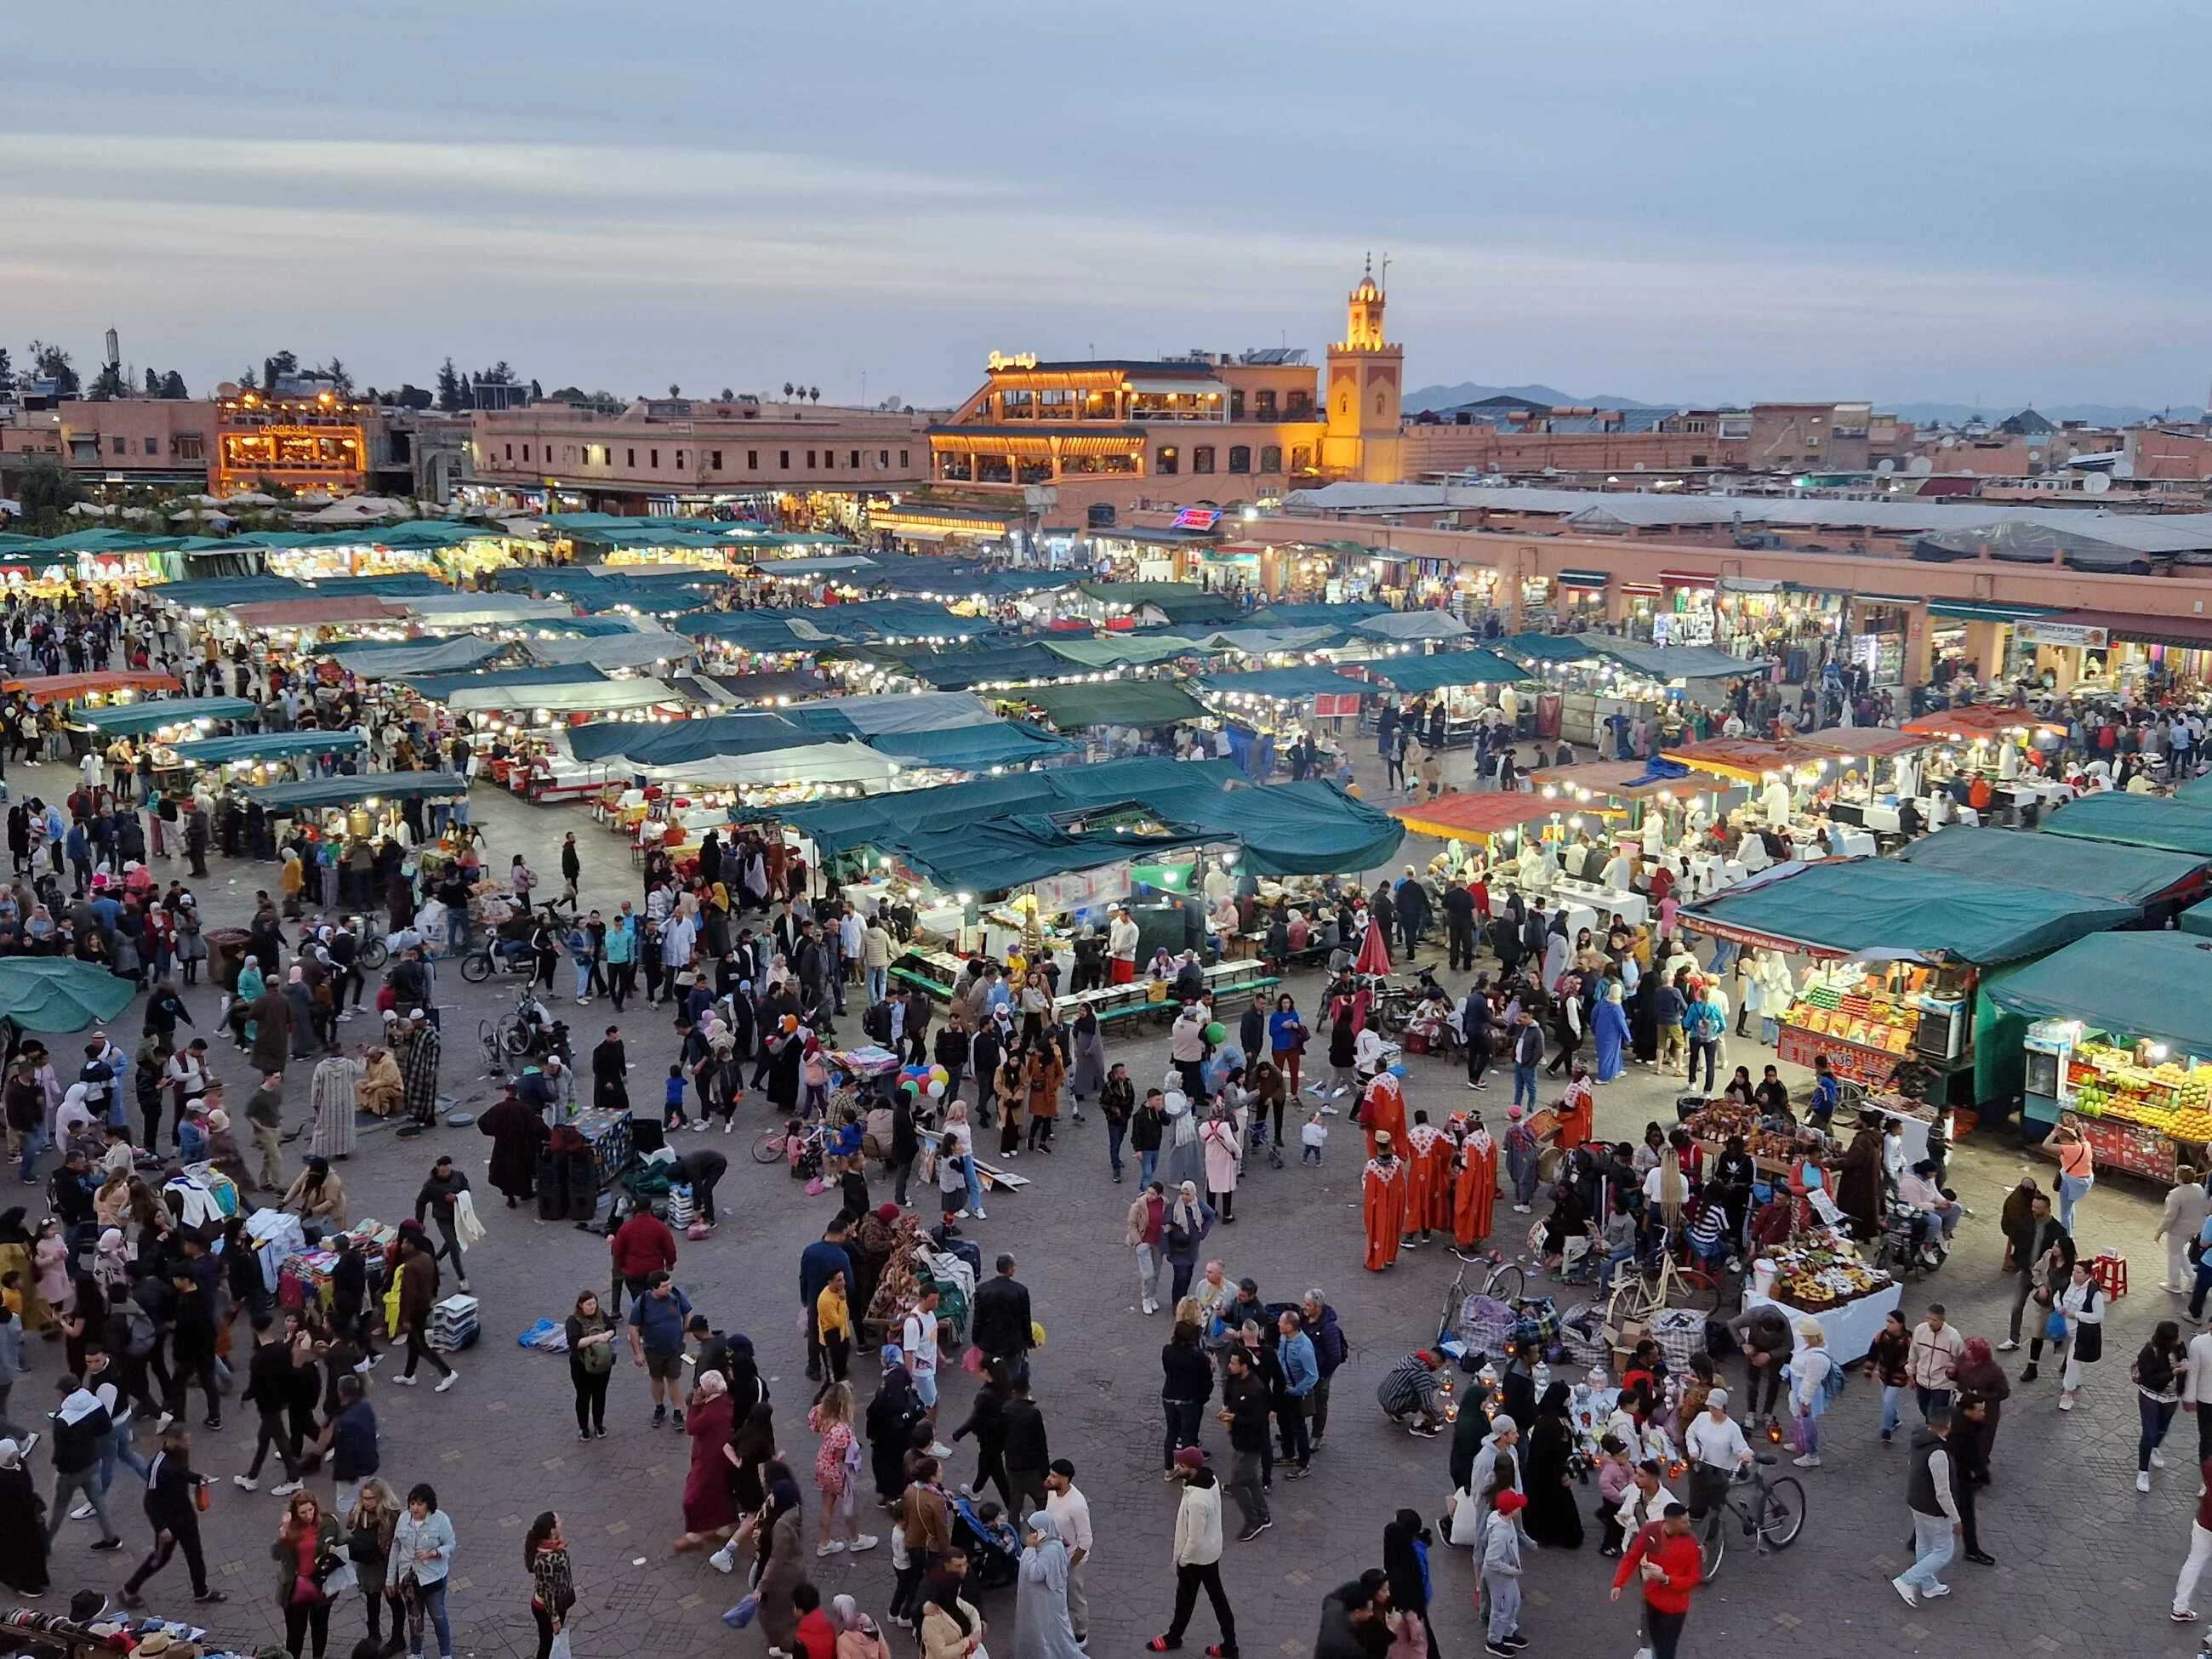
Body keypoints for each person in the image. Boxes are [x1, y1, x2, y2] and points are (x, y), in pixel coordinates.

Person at [1145, 1446, 1236, 1658]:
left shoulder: (1196, 1501)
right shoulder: (1210, 1480)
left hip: (1197, 1558)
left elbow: (1194, 1539)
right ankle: (1229, 1645)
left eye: (1181, 1465)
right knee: (1216, 1598)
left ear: (1192, 1468)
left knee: (1186, 1598)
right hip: (1211, 1551)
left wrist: (1183, 1560)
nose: (1177, 1468)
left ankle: (1174, 1637)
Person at [118, 1425, 223, 1608]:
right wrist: (161, 1527)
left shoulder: (181, 1453)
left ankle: (201, 1591)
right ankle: (129, 1588)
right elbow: (150, 1501)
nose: (188, 1445)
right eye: (185, 1441)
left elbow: (181, 1474)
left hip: (186, 1516)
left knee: (195, 1554)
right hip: (169, 1522)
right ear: (172, 1440)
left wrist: (197, 1478)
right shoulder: (159, 1465)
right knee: (160, 1558)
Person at [1610, 1502, 1702, 1659]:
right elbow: (1632, 1557)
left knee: (1666, 1650)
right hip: (1651, 1600)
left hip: (1674, 1609)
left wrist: (1666, 1579)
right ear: (1670, 1522)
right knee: (1656, 1642)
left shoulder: (1691, 1544)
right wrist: (1618, 1584)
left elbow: (1693, 1579)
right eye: (1684, 1522)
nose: (1689, 1525)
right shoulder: (1650, 1531)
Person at [1893, 1410, 1962, 1609]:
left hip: (1917, 1502)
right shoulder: (1938, 1453)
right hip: (1933, 1509)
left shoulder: (1919, 1440)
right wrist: (1956, 1519)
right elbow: (1942, 1493)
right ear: (1948, 1426)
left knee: (1924, 1544)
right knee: (1944, 1550)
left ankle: (1929, 1585)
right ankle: (1907, 1580)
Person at [273, 1486, 343, 1659]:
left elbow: (340, 1544)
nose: (308, 1515)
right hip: (296, 1587)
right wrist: (283, 1534)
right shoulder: (291, 1528)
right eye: (303, 1512)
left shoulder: (328, 1522)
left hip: (320, 1584)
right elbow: (277, 1554)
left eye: (310, 1510)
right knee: (295, 1633)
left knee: (320, 1627)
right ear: (295, 1513)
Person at [389, 1482, 456, 1659]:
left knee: (438, 1616)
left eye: (419, 1504)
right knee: (414, 1618)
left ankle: (446, 1654)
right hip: (409, 1579)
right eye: (412, 1503)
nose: (414, 1508)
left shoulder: (440, 1520)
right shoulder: (404, 1519)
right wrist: (391, 1579)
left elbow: (450, 1545)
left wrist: (434, 1553)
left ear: (429, 1505)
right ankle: (416, 1653)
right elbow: (395, 1548)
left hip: (433, 1578)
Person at [1013, 1509, 1086, 1659]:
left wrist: (1030, 1549)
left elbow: (1035, 1574)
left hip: (1046, 1602)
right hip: (1046, 1599)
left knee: (1050, 1633)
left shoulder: (1050, 1550)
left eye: (1035, 1530)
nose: (1032, 1533)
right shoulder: (1053, 1544)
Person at [628, 1269, 693, 1426]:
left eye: (669, 1283)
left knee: (674, 1379)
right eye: (664, 1286)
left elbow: (687, 1313)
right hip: (653, 1348)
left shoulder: (676, 1295)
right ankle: (659, 1408)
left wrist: (685, 1337)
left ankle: (678, 1411)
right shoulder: (642, 1302)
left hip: (675, 1347)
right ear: (654, 1288)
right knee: (656, 1378)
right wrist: (638, 1353)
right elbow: (633, 1328)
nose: (669, 1288)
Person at [1041, 1461, 1093, 1644]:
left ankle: (1081, 1633)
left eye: (1054, 1476)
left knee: (1075, 1598)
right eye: (1050, 1474)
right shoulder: (1052, 1494)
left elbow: (1086, 1541)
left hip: (1071, 1561)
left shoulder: (1077, 1505)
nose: (1049, 1478)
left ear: (1065, 1479)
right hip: (1053, 1556)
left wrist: (1070, 1565)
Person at [1478, 1491, 1526, 1657]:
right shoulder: (1501, 1533)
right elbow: (1492, 1560)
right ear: (1512, 1510)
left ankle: (1507, 1632)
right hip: (1499, 1574)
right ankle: (1494, 1641)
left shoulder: (1499, 1518)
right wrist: (1513, 1570)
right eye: (1518, 1506)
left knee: (1513, 1602)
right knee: (1501, 1608)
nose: (1521, 1507)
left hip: (1505, 1573)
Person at [566, 1289, 617, 1440]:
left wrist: (607, 1335)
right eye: (588, 1304)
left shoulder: (601, 1314)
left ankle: (598, 1425)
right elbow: (575, 1343)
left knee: (600, 1396)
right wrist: (597, 1338)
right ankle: (584, 1428)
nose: (592, 1307)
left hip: (602, 1364)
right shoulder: (573, 1321)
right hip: (581, 1366)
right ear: (581, 1305)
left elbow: (612, 1328)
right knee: (583, 1396)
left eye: (594, 1303)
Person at [525, 1511, 576, 1659]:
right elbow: (547, 1592)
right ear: (552, 1531)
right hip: (546, 1609)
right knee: (547, 1645)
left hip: (558, 1604)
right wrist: (555, 1620)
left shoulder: (554, 1547)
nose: (562, 1522)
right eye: (558, 1521)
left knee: (551, 1642)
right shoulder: (543, 1560)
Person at [1908, 1304, 1965, 1417]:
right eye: (1928, 1318)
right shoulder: (1920, 1330)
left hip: (1942, 1384)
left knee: (1936, 1414)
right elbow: (1913, 1353)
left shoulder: (1953, 1338)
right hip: (1922, 1380)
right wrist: (1911, 1371)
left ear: (1942, 1320)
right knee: (1923, 1408)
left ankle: (1934, 1431)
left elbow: (1960, 1360)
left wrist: (1957, 1380)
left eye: (1934, 1320)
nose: (1930, 1322)